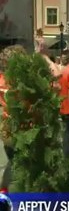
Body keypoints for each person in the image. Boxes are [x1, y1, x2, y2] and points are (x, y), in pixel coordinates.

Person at [0, 45, 27, 192]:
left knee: (13, 159)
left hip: (5, 124)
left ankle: (4, 189)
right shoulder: (18, 83)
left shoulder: (1, 79)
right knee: (17, 161)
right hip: (20, 126)